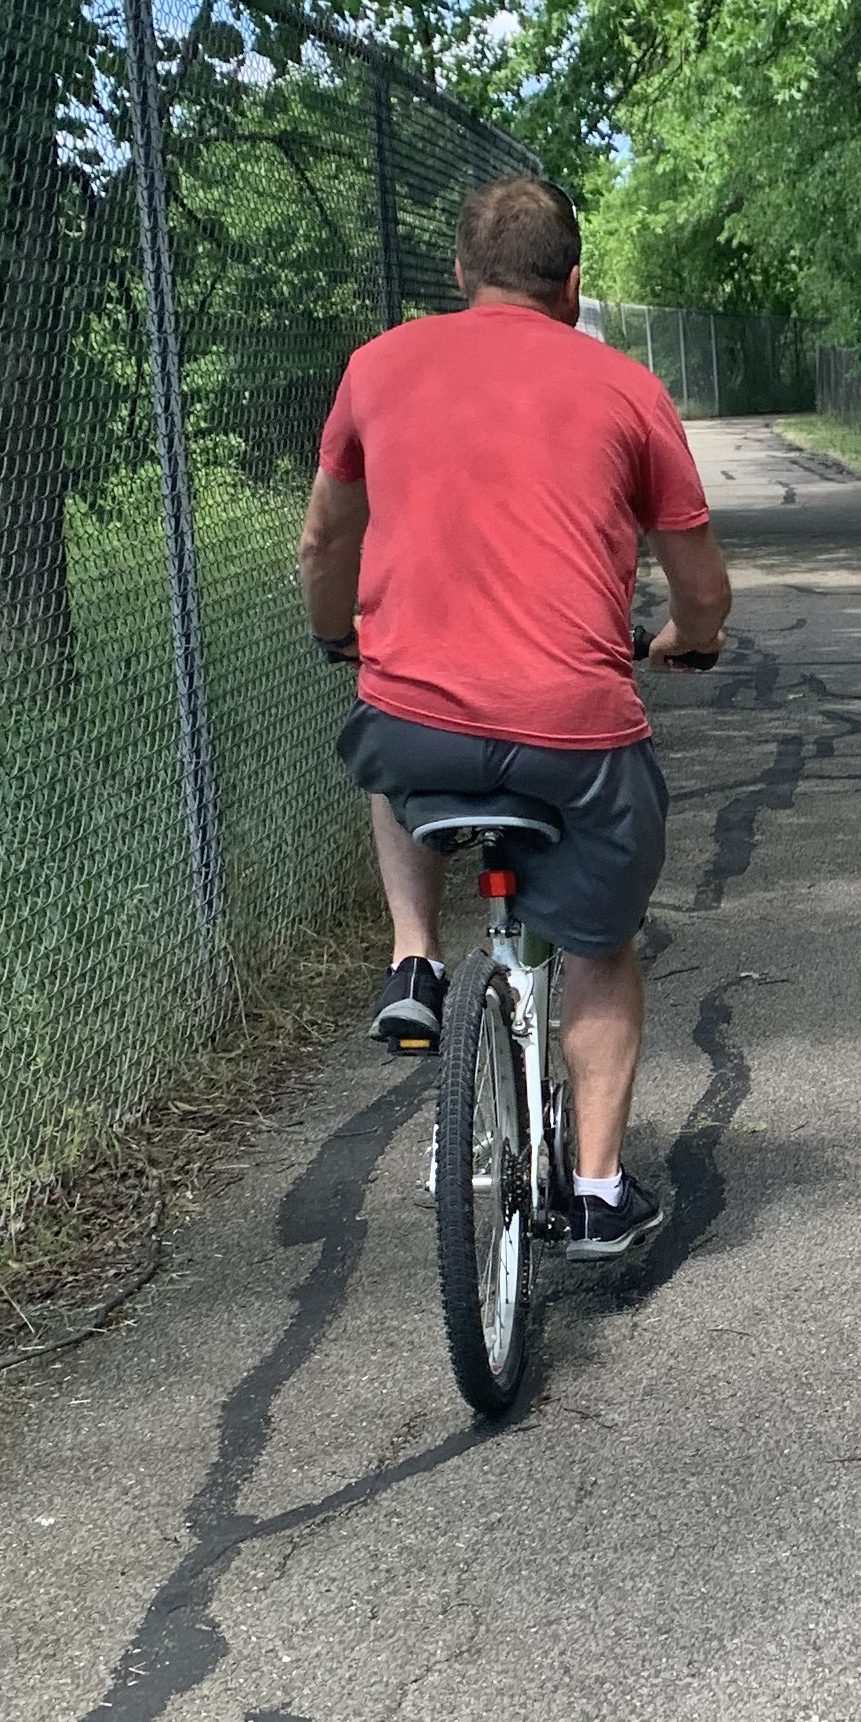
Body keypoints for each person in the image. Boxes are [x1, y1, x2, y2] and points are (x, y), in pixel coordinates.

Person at [298, 177, 730, 1256]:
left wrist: (338, 637)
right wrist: (687, 639)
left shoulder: (376, 367)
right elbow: (703, 590)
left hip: (423, 724)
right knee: (602, 947)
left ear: (458, 273)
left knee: (388, 725)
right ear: (574, 285)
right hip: (574, 734)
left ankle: (413, 958)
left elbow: (322, 544)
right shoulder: (627, 388)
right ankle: (593, 1189)